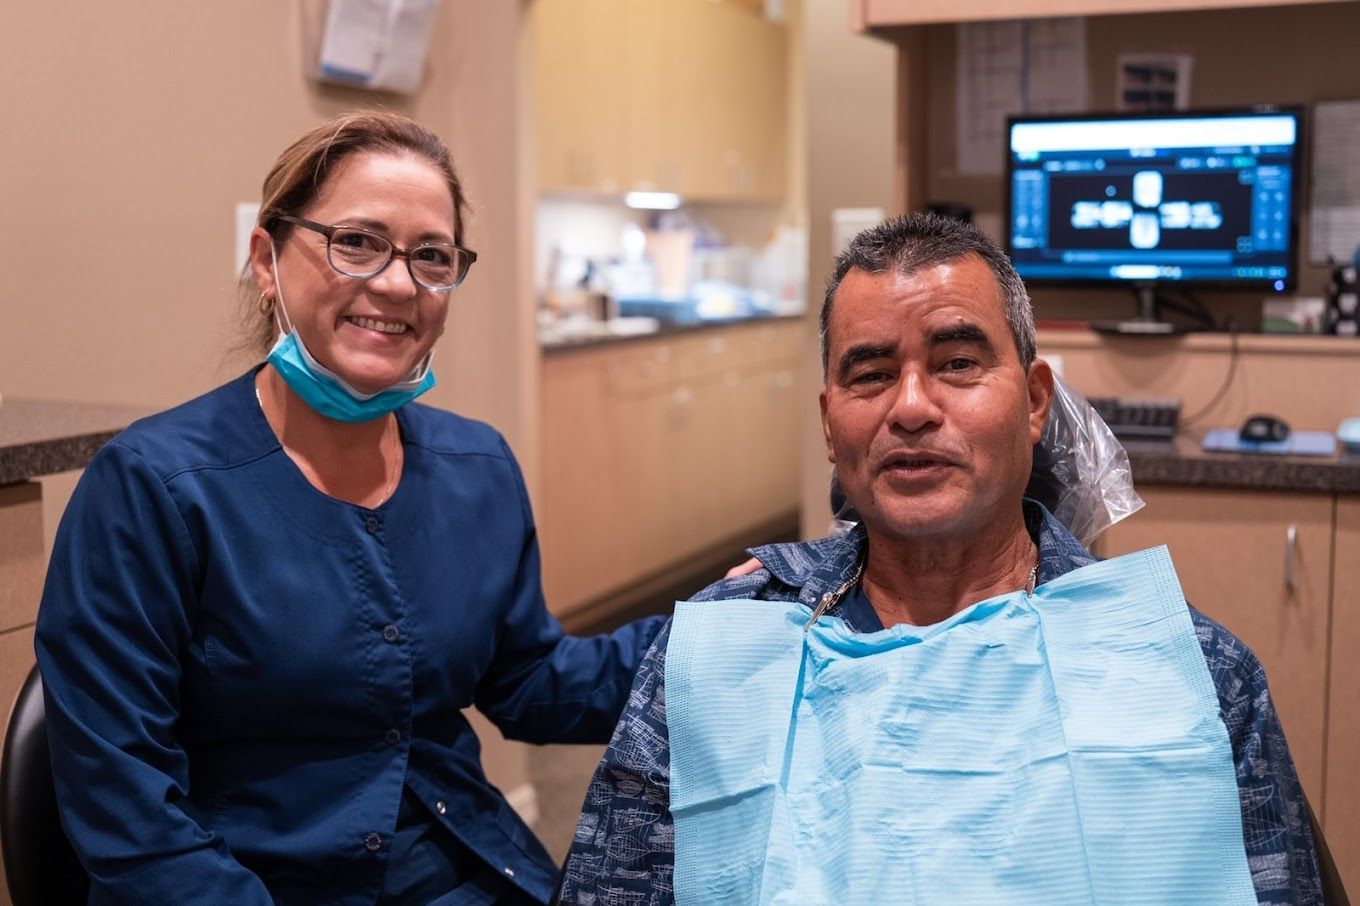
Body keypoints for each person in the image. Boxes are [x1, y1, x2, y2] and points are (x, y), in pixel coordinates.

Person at [559, 214, 1324, 905]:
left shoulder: (1191, 674)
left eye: (957, 362)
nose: (913, 407)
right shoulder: (721, 654)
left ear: (1032, 401)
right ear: (831, 425)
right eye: (870, 373)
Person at [35, 111, 665, 905]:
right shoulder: (152, 489)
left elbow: (530, 680)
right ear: (266, 260)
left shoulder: (477, 469)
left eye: (432, 256)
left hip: (453, 868)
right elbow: (125, 808)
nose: (399, 283)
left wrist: (739, 624)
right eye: (358, 242)